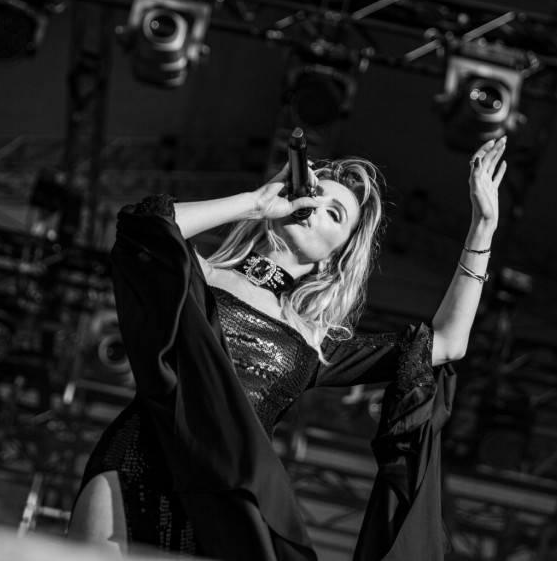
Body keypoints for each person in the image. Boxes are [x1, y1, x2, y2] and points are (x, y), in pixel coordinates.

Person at [67, 137, 508, 560]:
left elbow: (446, 343)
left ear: (332, 258)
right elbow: (144, 224)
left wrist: (482, 227)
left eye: (334, 214)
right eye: (314, 195)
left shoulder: (315, 343)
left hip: (232, 501)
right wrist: (256, 202)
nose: (315, 210)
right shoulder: (198, 275)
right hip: (141, 456)